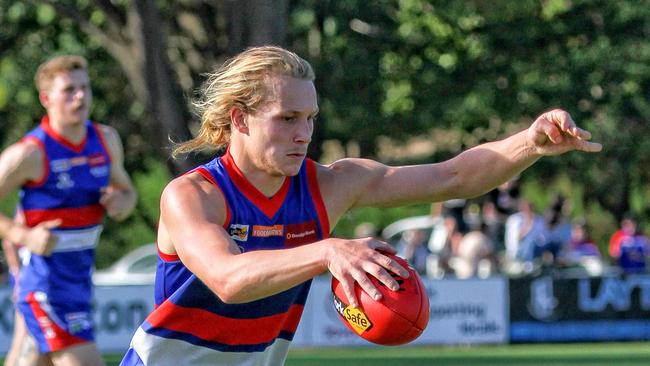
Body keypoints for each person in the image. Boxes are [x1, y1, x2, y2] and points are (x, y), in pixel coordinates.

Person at [120, 45, 601, 365]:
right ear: (239, 119)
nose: (303, 132)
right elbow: (229, 279)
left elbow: (454, 176)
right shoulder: (193, 195)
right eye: (287, 118)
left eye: (309, 118)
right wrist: (327, 250)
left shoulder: (331, 185)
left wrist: (530, 144)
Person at [0, 55, 137, 366]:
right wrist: (23, 234)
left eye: (85, 88)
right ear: (46, 98)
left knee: (29, 359)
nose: (81, 97)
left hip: (78, 278)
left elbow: (127, 192)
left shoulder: (105, 140)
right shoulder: (30, 153)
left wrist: (121, 203)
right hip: (45, 282)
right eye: (69, 90)